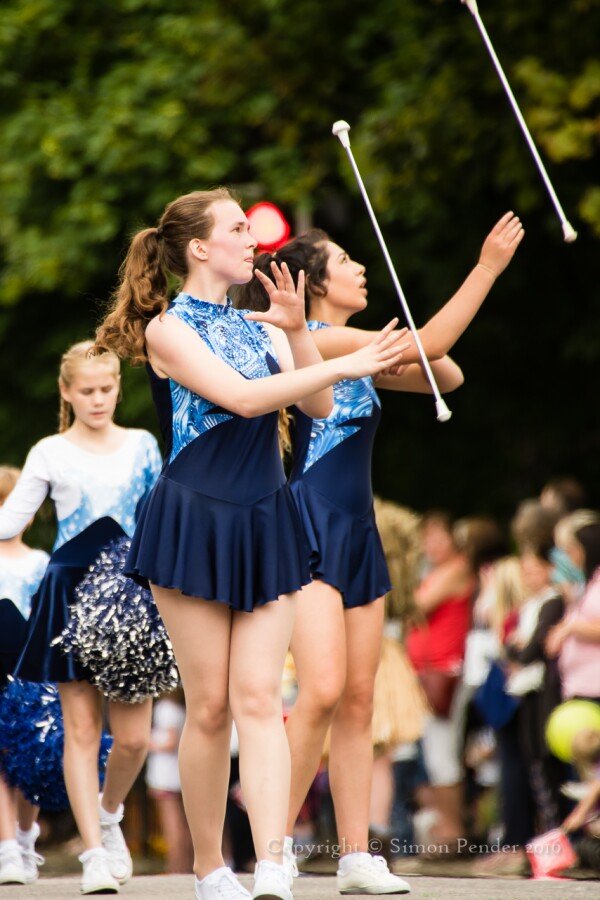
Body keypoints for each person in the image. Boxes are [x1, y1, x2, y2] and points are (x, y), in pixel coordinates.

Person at [94, 187, 407, 900]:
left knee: (262, 699)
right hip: (195, 518)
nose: (252, 239)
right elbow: (240, 398)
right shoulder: (168, 329)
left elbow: (315, 406)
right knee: (209, 707)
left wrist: (297, 332)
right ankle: (210, 867)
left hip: (268, 517)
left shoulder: (258, 324)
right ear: (199, 248)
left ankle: (270, 862)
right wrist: (342, 362)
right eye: (238, 229)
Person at [236, 210, 523, 893]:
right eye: (345, 260)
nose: (361, 268)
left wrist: (412, 349)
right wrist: (485, 267)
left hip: (359, 530)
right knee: (321, 690)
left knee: (360, 700)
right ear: (313, 284)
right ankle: (273, 850)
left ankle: (355, 855)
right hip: (309, 524)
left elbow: (445, 372)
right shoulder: (317, 339)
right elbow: (433, 344)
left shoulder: (359, 356)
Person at [0, 341, 162, 894]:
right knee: (82, 730)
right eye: (86, 390)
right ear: (66, 392)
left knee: (134, 740)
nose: (98, 399)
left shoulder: (142, 445)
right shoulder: (50, 451)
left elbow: (158, 519)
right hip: (68, 593)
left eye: (107, 388)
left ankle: (109, 814)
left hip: (130, 593)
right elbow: (10, 521)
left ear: (118, 387)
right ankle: (93, 854)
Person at [0, 466, 48, 886]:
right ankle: (7, 850)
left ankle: (24, 834)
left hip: (29, 671)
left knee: (30, 760)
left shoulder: (40, 561)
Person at [146, 688, 193, 874]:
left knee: (171, 826)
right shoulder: (184, 708)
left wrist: (144, 742)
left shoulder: (166, 708)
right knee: (185, 824)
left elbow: (170, 742)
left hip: (164, 777)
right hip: (179, 774)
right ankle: (185, 864)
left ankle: (175, 867)